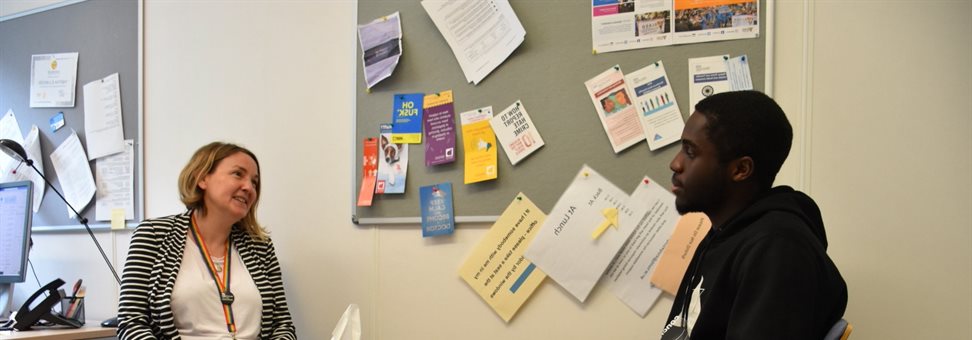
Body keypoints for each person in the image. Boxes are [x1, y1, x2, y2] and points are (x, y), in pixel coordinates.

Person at [661, 91, 847, 340]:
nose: (675, 163)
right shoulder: (722, 234)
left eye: (690, 152)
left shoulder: (778, 248)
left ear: (740, 169)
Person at [118, 142, 296, 340]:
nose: (249, 188)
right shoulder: (153, 235)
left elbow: (283, 325)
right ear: (202, 178)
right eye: (238, 174)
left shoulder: (261, 246)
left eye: (254, 182)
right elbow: (131, 322)